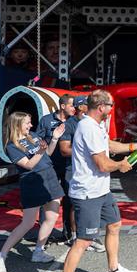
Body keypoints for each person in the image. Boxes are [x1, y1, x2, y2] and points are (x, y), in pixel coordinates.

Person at [51, 90, 137, 272]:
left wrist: (135, 147)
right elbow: (103, 164)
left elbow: (109, 146)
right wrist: (121, 165)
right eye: (111, 105)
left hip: (101, 190)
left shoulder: (96, 125)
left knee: (114, 224)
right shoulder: (88, 127)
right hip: (87, 192)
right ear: (102, 107)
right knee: (83, 241)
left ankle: (113, 271)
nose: (113, 108)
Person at [0, 112, 65, 272]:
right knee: (28, 223)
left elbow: (48, 153)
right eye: (27, 123)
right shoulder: (11, 146)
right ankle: (0, 257)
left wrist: (55, 138)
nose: (31, 126)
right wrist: (39, 152)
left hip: (49, 176)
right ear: (17, 125)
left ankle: (39, 250)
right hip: (32, 182)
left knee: (52, 217)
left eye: (30, 123)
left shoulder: (33, 135)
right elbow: (29, 165)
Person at [37, 94, 77, 245]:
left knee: (69, 199)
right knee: (46, 198)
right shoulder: (46, 120)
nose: (74, 109)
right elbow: (38, 139)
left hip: (68, 166)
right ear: (62, 106)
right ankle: (43, 238)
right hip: (49, 165)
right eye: (72, 105)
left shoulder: (74, 122)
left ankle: (67, 233)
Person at [57, 95, 88, 245]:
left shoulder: (90, 123)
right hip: (73, 169)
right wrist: (87, 151)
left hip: (87, 169)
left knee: (87, 202)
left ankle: (86, 235)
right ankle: (76, 236)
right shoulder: (70, 124)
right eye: (88, 104)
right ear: (81, 107)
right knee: (76, 204)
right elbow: (64, 150)